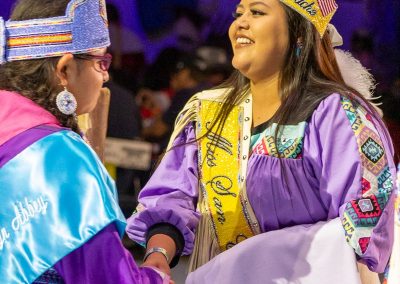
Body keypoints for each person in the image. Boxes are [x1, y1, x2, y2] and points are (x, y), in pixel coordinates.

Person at [126, 0, 397, 283]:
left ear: (299, 35)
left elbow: (367, 217)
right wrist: (158, 254)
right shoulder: (208, 113)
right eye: (239, 13)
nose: (240, 22)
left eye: (257, 12)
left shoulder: (336, 114)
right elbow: (172, 194)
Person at [0, 0, 169, 283]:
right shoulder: (59, 157)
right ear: (65, 70)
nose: (105, 75)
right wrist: (155, 276)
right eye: (101, 61)